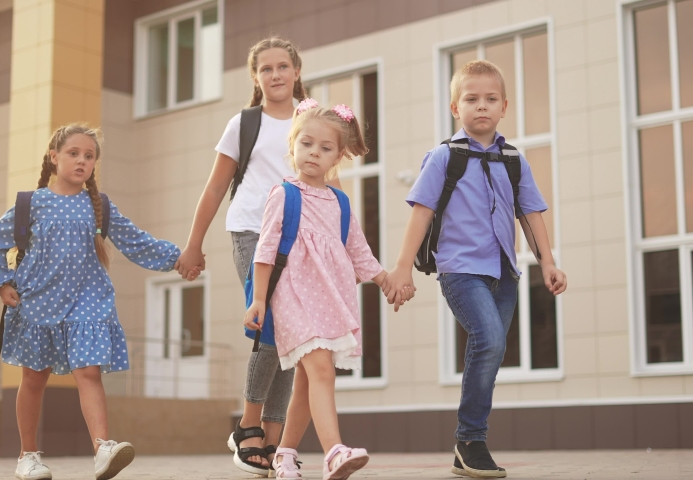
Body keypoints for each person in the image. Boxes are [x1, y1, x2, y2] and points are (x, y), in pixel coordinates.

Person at [382, 60, 567, 478]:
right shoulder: (445, 157)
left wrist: (548, 263)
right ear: (455, 107)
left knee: (493, 348)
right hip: (460, 270)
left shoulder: (514, 160)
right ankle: (471, 439)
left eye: (489, 99)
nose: (480, 106)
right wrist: (401, 268)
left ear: (504, 106)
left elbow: (531, 214)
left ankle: (468, 446)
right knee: (488, 337)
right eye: (471, 99)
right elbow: (422, 212)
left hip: (504, 272)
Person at [0, 124, 181, 480]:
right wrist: (2, 284)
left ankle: (103, 448)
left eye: (89, 156)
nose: (82, 161)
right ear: (54, 157)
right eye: (73, 153)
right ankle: (27, 456)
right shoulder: (31, 203)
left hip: (88, 298)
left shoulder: (98, 206)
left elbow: (135, 241)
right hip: (38, 301)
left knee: (89, 370)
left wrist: (178, 258)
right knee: (33, 378)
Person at [173, 37, 325, 476]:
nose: (275, 75)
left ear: (296, 70)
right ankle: (248, 426)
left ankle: (275, 437)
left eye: (283, 66)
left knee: (292, 338)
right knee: (271, 326)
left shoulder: (313, 117)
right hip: (252, 232)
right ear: (256, 78)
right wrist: (193, 243)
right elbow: (216, 187)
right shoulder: (245, 123)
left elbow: (325, 179)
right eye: (266, 69)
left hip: (301, 235)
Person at [244, 100, 412, 480]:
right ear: (293, 146)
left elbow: (358, 250)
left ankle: (284, 455)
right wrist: (257, 299)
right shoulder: (283, 195)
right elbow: (266, 249)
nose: (314, 153)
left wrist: (384, 279)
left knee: (307, 380)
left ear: (338, 156)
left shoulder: (339, 201)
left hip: (329, 299)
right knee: (322, 370)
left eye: (325, 148)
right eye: (306, 144)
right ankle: (335, 452)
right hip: (294, 298)